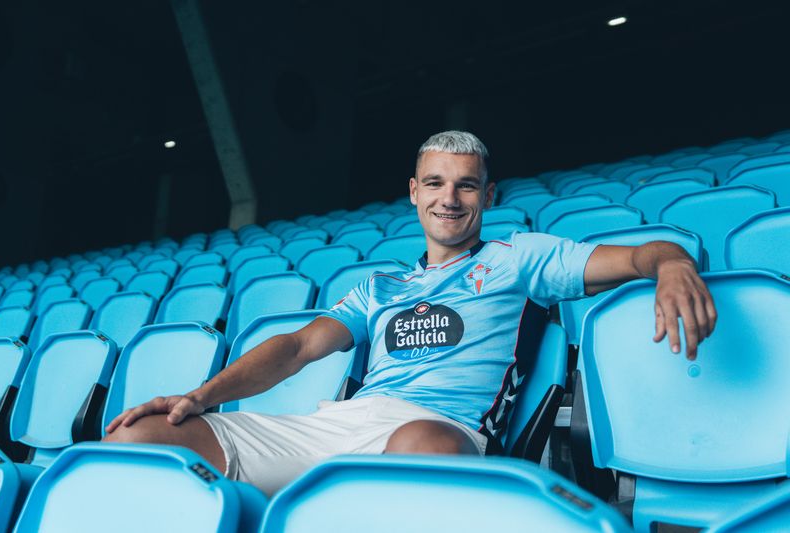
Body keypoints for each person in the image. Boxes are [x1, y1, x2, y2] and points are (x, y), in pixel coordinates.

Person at [104, 131, 717, 496]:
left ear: (488, 195)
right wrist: (202, 395)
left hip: (437, 432)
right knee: (142, 436)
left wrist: (673, 266)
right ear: (414, 193)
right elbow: (296, 348)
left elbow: (646, 252)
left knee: (422, 445)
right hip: (339, 427)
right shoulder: (379, 286)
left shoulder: (520, 258)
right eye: (435, 183)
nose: (449, 199)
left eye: (467, 185)